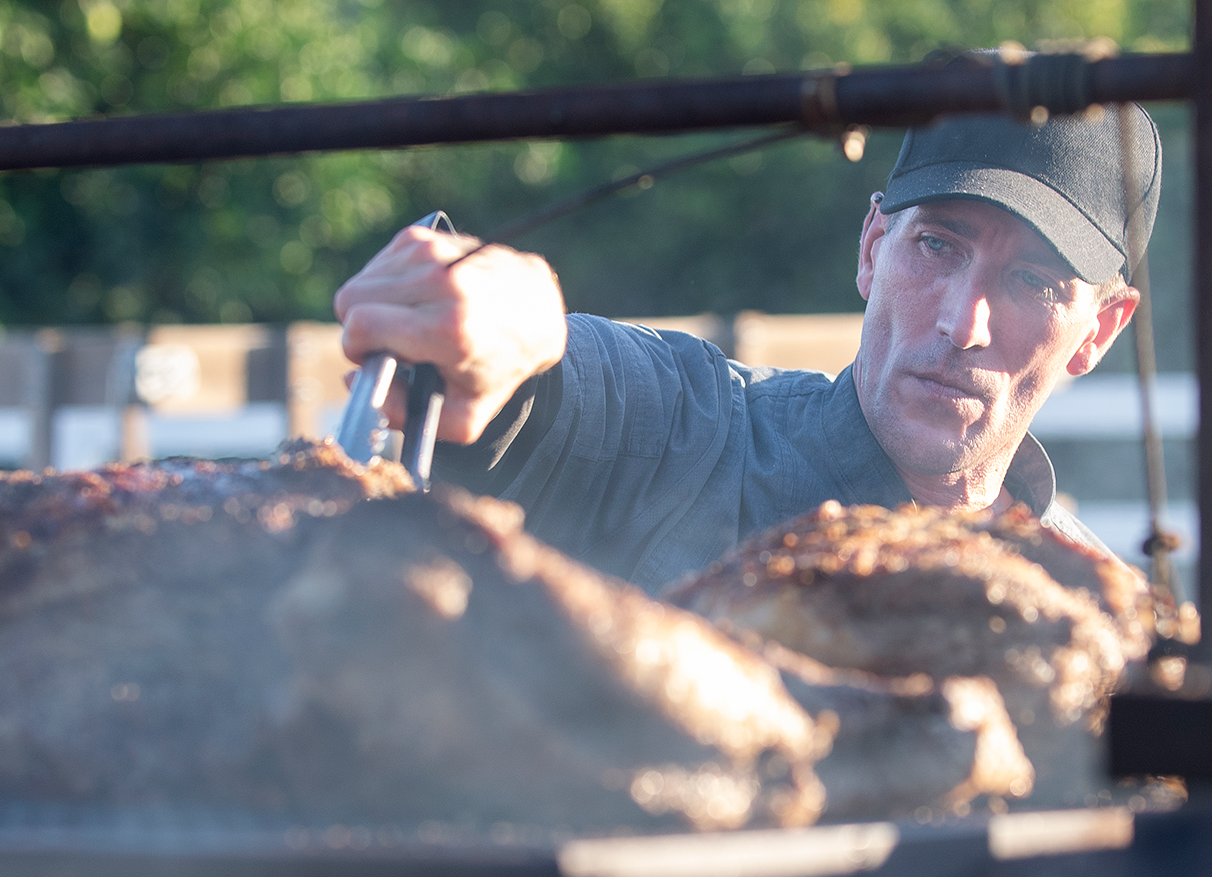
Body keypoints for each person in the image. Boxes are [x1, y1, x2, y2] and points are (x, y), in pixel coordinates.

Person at [333, 104, 1162, 594]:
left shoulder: (1093, 600)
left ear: (1100, 328)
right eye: (938, 246)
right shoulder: (689, 433)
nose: (964, 323)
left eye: (1033, 283)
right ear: (873, 246)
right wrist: (504, 313)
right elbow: (558, 376)